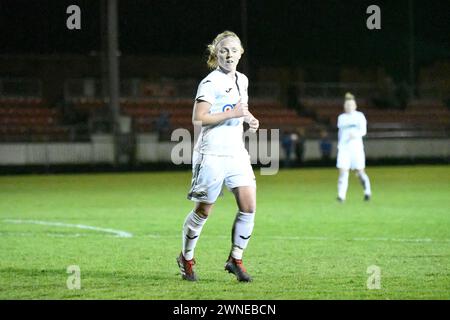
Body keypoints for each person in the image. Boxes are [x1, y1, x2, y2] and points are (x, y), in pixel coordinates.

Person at [176, 31, 260, 282]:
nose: (229, 54)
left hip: (236, 153)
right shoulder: (210, 82)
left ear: (241, 53)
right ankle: (186, 258)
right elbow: (198, 117)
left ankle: (235, 259)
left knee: (249, 206)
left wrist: (248, 118)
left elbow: (239, 108)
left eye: (234, 49)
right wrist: (232, 113)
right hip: (211, 153)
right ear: (216, 54)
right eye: (223, 50)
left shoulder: (242, 80)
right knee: (203, 211)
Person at [336, 93, 372, 202]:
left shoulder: (359, 116)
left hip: (356, 149)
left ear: (355, 106)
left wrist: (355, 135)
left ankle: (367, 191)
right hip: (344, 149)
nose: (348, 107)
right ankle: (341, 196)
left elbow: (363, 131)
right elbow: (340, 133)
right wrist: (340, 145)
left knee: (360, 172)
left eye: (351, 105)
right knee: (343, 172)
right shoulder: (341, 118)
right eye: (347, 105)